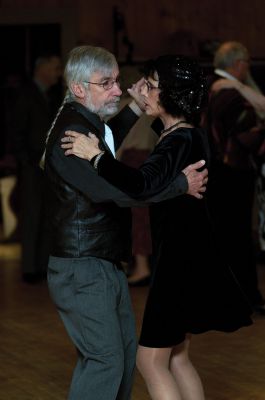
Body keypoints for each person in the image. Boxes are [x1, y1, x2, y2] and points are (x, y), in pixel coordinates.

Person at [61, 54, 253, 400]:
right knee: (177, 358)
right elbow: (158, 168)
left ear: (170, 95)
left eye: (150, 85)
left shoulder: (178, 140)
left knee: (149, 361)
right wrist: (141, 100)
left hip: (177, 263)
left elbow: (140, 185)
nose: (142, 90)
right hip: (189, 256)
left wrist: (96, 155)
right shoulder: (185, 134)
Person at [43, 45, 208, 400]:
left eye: (119, 81)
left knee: (121, 357)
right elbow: (120, 193)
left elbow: (107, 134)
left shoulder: (84, 121)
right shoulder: (70, 138)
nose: (119, 90)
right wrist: (180, 185)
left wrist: (134, 107)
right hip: (82, 265)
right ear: (79, 88)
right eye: (108, 83)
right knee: (105, 361)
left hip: (101, 261)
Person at [203, 41, 265, 315]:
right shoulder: (232, 95)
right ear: (239, 64)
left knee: (222, 234)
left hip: (213, 172)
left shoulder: (209, 87)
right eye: (247, 63)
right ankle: (243, 297)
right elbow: (247, 136)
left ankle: (223, 297)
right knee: (238, 235)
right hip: (234, 173)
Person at [11, 54, 62, 282]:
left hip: (48, 166)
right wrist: (26, 160)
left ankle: (42, 266)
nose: (58, 72)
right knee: (32, 215)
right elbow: (16, 130)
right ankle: (30, 268)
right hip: (33, 165)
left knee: (47, 215)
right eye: (55, 67)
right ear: (41, 69)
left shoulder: (51, 95)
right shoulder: (26, 94)